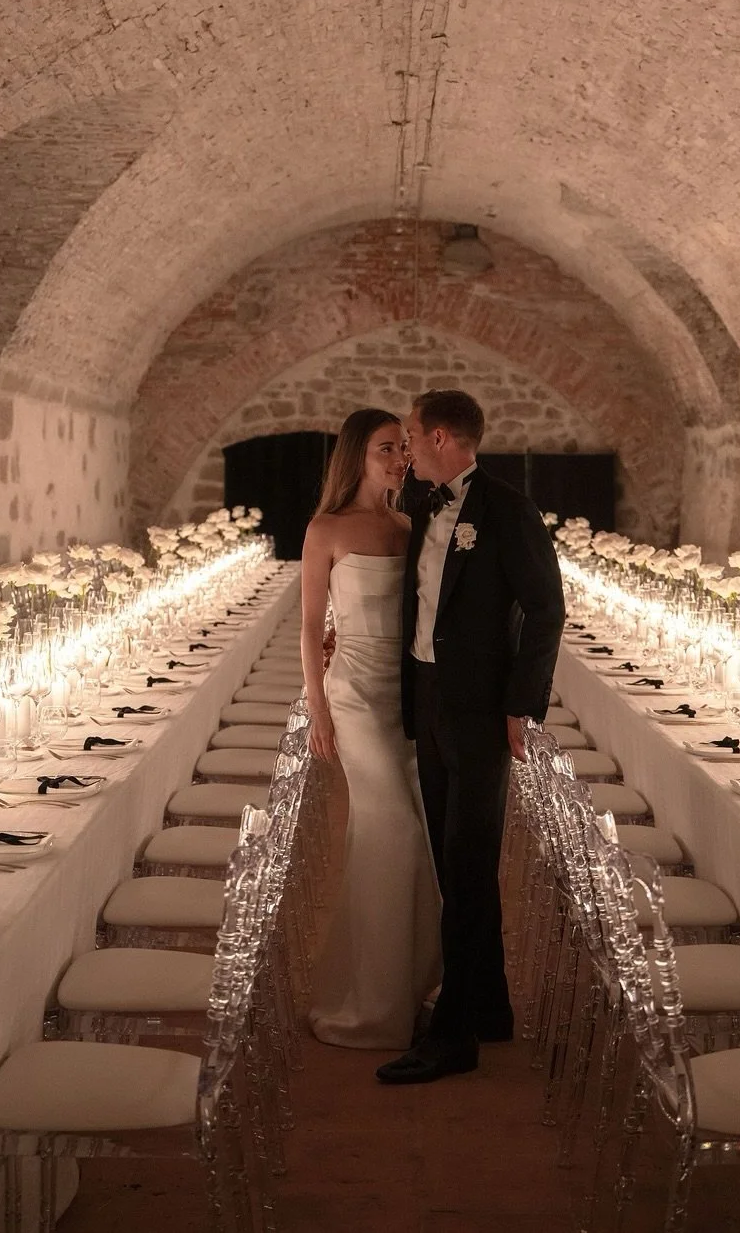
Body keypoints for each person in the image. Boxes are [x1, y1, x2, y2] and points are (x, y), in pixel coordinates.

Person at [376, 389, 565, 1085]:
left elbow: (547, 609)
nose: (406, 450)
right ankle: (488, 1006)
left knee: (467, 861)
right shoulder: (423, 502)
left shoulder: (506, 509)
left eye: (413, 438)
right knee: (454, 862)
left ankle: (454, 1037)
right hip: (429, 698)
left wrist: (521, 706)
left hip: (483, 711)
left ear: (447, 439)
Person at [301, 408, 442, 1050]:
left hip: (407, 698)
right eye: (387, 448)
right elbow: (309, 627)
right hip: (354, 696)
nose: (399, 461)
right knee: (397, 832)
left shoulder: (410, 527)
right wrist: (318, 708)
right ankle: (375, 1006)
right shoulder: (325, 528)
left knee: (407, 841)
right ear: (358, 454)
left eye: (403, 451)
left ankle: (407, 987)